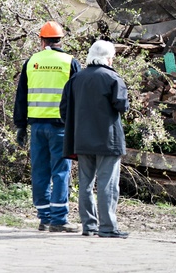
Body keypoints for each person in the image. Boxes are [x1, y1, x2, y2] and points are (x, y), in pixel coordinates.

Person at [13, 20, 81, 233]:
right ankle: (59, 220)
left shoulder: (31, 62)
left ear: (42, 40)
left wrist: (20, 126)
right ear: (61, 40)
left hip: (36, 127)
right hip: (61, 127)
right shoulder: (70, 62)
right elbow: (78, 97)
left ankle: (44, 217)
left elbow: (21, 97)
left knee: (40, 171)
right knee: (60, 172)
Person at [60, 40, 130, 238]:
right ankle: (107, 227)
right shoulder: (112, 77)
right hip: (108, 140)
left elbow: (64, 110)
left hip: (82, 141)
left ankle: (89, 226)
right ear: (108, 58)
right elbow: (122, 106)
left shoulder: (76, 79)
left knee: (86, 184)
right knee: (107, 184)